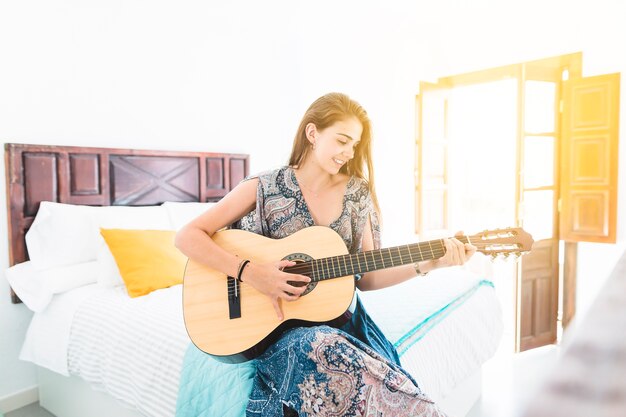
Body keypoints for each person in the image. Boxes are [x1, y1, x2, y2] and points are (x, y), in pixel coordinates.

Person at [175, 92, 476, 417]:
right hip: (275, 332)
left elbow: (368, 277)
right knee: (315, 346)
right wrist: (253, 273)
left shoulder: (358, 195)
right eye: (342, 141)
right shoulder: (263, 187)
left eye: (354, 145)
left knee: (349, 360)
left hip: (344, 324)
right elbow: (188, 236)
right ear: (313, 133)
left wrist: (431, 263)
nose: (348, 153)